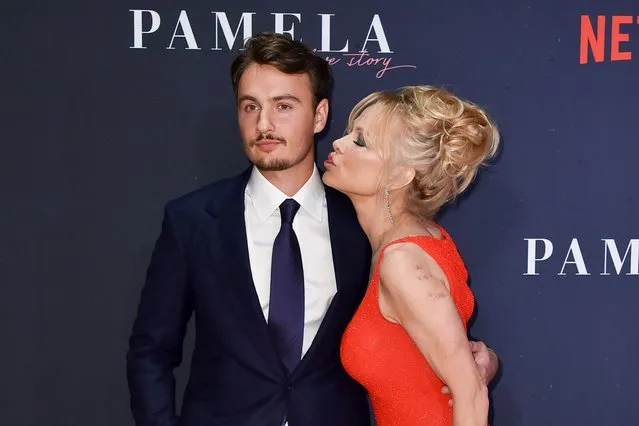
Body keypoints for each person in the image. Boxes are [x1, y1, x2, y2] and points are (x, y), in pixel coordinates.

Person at [126, 32, 498, 426]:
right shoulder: (193, 220)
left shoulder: (363, 225)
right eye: (249, 106)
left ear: (319, 115)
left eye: (283, 105)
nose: (264, 123)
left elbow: (416, 330)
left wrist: (473, 365)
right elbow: (151, 351)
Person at [322, 85, 500, 425]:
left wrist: (480, 365)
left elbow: (471, 394)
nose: (338, 143)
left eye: (360, 141)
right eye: (348, 133)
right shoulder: (417, 239)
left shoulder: (402, 260)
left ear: (401, 175)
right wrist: (486, 358)